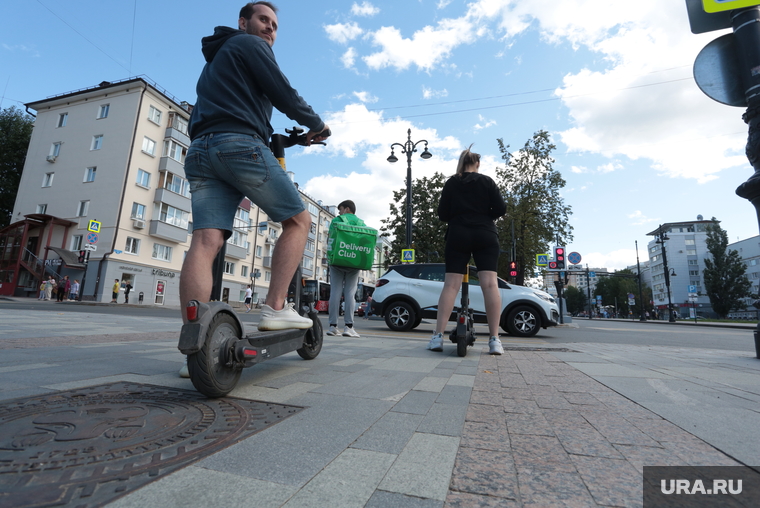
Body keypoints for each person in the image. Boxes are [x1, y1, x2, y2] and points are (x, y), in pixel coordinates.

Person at [178, 2, 329, 378]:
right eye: (264, 20)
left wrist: (293, 141)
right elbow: (284, 94)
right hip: (237, 146)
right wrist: (318, 124)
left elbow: (241, 113)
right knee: (299, 221)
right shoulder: (249, 45)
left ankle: (198, 348)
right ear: (243, 22)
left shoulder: (215, 62)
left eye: (275, 25)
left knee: (205, 241)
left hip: (201, 151)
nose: (270, 29)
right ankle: (276, 306)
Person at [427, 146, 507, 355]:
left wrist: (459, 213)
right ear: (477, 164)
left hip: (458, 234)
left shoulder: (452, 182)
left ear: (461, 163)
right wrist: (484, 213)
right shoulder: (487, 181)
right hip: (485, 234)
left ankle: (437, 337)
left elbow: (442, 213)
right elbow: (501, 209)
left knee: (451, 286)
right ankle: (494, 340)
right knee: (489, 285)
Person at [325, 200, 362, 338]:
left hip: (337, 260)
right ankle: (349, 327)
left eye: (340, 209)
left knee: (335, 291)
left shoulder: (336, 221)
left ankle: (333, 326)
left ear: (347, 209)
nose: (339, 212)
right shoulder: (361, 223)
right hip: (354, 261)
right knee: (350, 293)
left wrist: (330, 258)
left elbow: (331, 240)